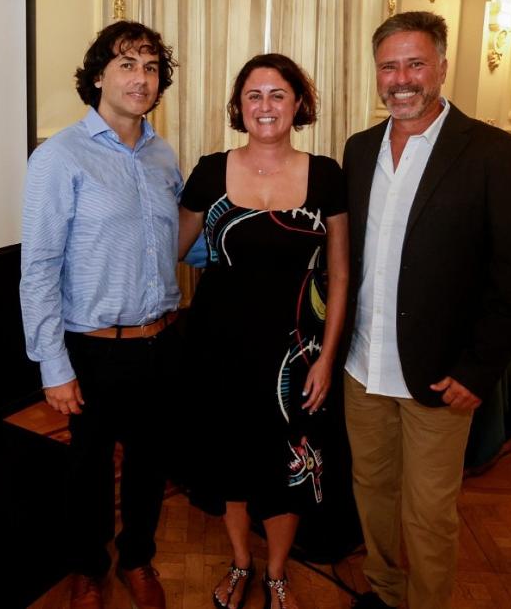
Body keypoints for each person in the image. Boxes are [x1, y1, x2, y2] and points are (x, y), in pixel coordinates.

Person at [341, 11, 511, 609]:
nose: (402, 79)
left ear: (443, 67)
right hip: (360, 367)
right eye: (389, 66)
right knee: (371, 493)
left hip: (438, 373)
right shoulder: (359, 148)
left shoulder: (494, 153)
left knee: (427, 514)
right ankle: (384, 590)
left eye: (415, 63)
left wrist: (479, 371)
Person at [20, 21, 183, 609]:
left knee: (148, 464)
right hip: (92, 345)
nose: (141, 78)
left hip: (160, 340)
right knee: (87, 470)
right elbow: (38, 267)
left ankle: (138, 557)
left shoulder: (164, 154)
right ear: (97, 76)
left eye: (150, 66)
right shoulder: (59, 156)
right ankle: (87, 568)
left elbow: (177, 242)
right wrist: (52, 367)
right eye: (126, 65)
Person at [178, 54, 349, 609]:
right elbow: (167, 250)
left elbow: (343, 273)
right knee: (230, 460)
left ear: (298, 103)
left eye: (278, 94)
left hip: (296, 352)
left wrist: (327, 359)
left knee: (287, 463)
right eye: (254, 95)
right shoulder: (209, 170)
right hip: (218, 345)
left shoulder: (326, 174)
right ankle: (241, 561)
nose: (266, 105)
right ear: (239, 105)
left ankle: (276, 573)